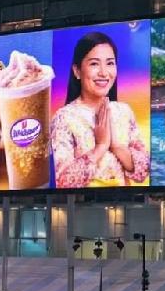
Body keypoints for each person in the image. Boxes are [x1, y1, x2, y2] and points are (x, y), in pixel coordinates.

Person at [51, 31, 150, 187]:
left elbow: (143, 171)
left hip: (126, 203)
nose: (104, 73)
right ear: (77, 71)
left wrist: (117, 146)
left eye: (110, 63)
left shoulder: (124, 111)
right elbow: (63, 181)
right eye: (94, 64)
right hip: (80, 208)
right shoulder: (65, 118)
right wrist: (100, 147)